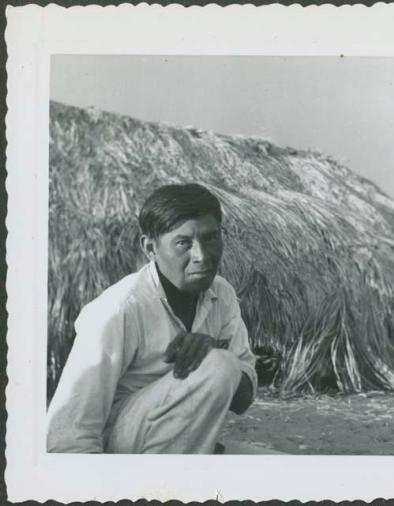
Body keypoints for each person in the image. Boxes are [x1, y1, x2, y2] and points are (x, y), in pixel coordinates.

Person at [47, 183, 257, 454]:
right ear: (150, 247)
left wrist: (214, 354)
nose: (202, 256)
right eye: (183, 243)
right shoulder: (119, 308)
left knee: (280, 471)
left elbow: (243, 400)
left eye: (211, 238)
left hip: (185, 441)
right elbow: (67, 436)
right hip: (119, 450)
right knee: (218, 364)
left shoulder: (222, 294)